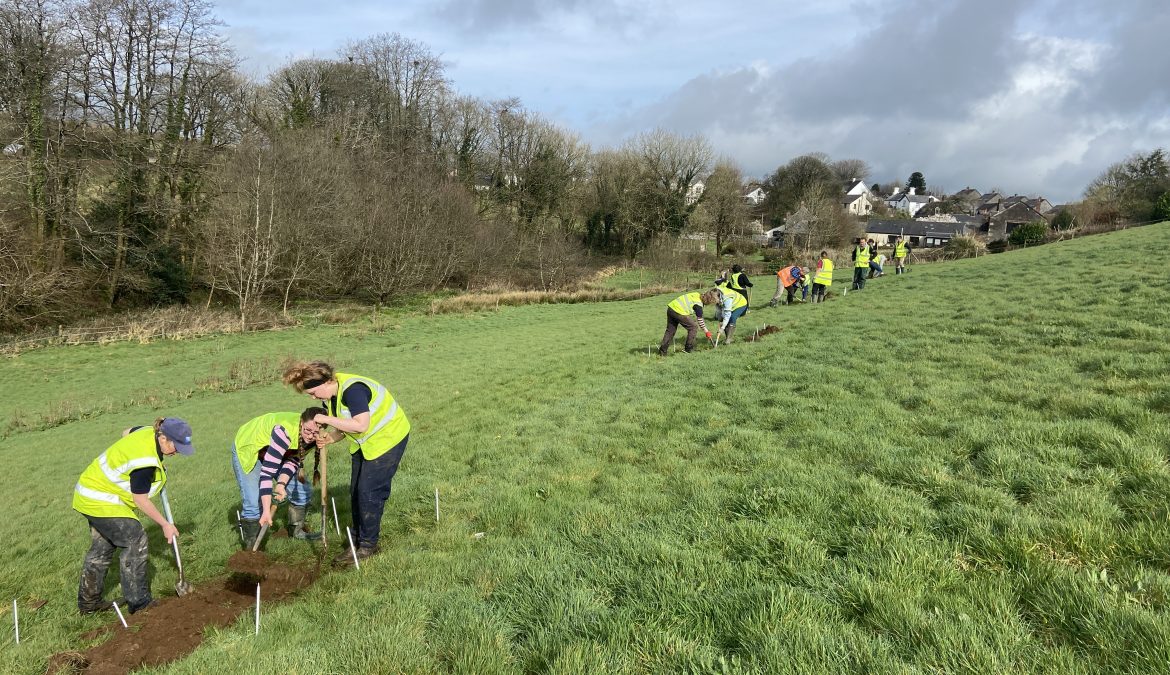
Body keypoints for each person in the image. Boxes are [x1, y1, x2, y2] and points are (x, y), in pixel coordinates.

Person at [283, 361, 410, 564]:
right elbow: (345, 423)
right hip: (366, 443)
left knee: (369, 492)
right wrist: (332, 438)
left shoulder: (353, 391)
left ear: (326, 382)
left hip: (389, 438)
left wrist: (327, 421)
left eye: (314, 393)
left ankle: (368, 546)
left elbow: (361, 424)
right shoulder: (333, 396)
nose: (314, 397)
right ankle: (358, 540)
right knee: (356, 492)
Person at [74, 418, 195, 615]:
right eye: (176, 446)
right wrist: (165, 524)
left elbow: (126, 431)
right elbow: (140, 499)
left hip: (88, 491)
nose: (177, 452)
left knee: (103, 547)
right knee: (135, 540)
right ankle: (140, 604)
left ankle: (89, 604)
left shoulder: (147, 431)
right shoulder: (144, 464)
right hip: (100, 498)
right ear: (163, 437)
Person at [231, 409, 326, 549]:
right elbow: (267, 474)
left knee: (301, 490)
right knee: (253, 501)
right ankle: (253, 549)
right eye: (307, 430)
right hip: (251, 448)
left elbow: (293, 459)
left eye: (316, 432)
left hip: (278, 451)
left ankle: (296, 531)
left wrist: (281, 484)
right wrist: (266, 512)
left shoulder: (313, 438)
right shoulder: (284, 432)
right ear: (301, 423)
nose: (311, 436)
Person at [659, 290, 719, 355]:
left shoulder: (696, 294)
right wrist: (706, 331)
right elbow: (700, 321)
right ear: (709, 301)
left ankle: (662, 351)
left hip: (671, 308)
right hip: (678, 311)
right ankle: (688, 349)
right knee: (693, 327)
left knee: (670, 331)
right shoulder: (698, 305)